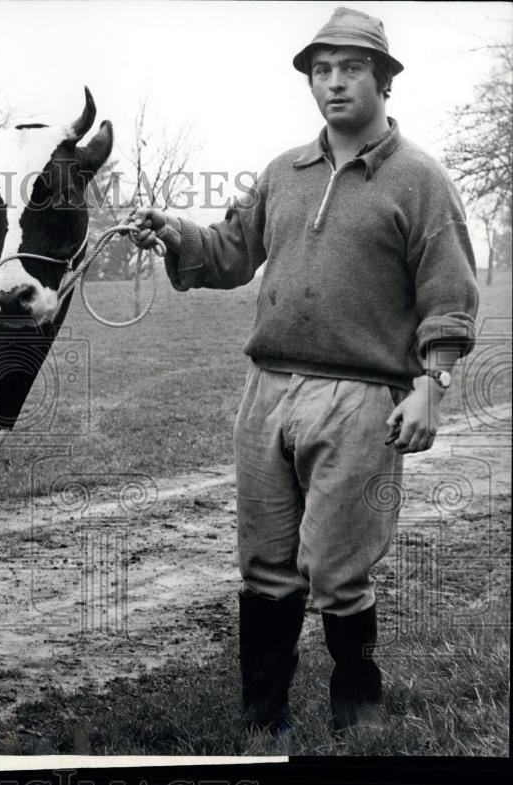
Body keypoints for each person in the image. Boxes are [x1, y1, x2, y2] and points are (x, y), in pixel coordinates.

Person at [130, 7, 479, 734]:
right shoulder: (281, 172)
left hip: (361, 397)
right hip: (268, 392)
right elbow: (228, 252)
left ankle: (360, 708)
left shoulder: (420, 180)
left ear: (384, 81)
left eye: (351, 68)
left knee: (338, 567)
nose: (334, 83)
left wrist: (430, 388)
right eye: (321, 70)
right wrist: (176, 234)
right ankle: (265, 717)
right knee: (264, 563)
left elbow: (448, 299)